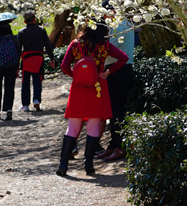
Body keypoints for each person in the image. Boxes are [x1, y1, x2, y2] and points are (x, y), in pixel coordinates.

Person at [56, 22, 129, 176]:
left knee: (73, 127)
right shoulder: (105, 46)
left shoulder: (75, 45)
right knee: (94, 127)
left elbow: (64, 66)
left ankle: (63, 165)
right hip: (97, 87)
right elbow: (123, 58)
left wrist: (76, 76)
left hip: (78, 89)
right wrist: (107, 73)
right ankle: (88, 165)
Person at [97, 19, 136, 162]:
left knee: (117, 109)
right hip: (117, 69)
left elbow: (109, 48)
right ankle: (113, 145)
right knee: (114, 110)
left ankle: (119, 146)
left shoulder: (120, 25)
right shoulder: (121, 24)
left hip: (120, 69)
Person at [17, 11, 55, 112]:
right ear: (34, 19)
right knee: (37, 80)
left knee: (25, 82)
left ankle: (25, 105)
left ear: (25, 21)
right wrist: (52, 58)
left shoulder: (21, 32)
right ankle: (37, 100)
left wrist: (17, 65)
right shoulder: (41, 30)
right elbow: (48, 45)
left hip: (26, 59)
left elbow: (18, 49)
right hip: (38, 58)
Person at [0, 21, 19, 121]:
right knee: (10, 87)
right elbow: (19, 52)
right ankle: (8, 109)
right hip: (12, 66)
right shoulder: (15, 38)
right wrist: (17, 66)